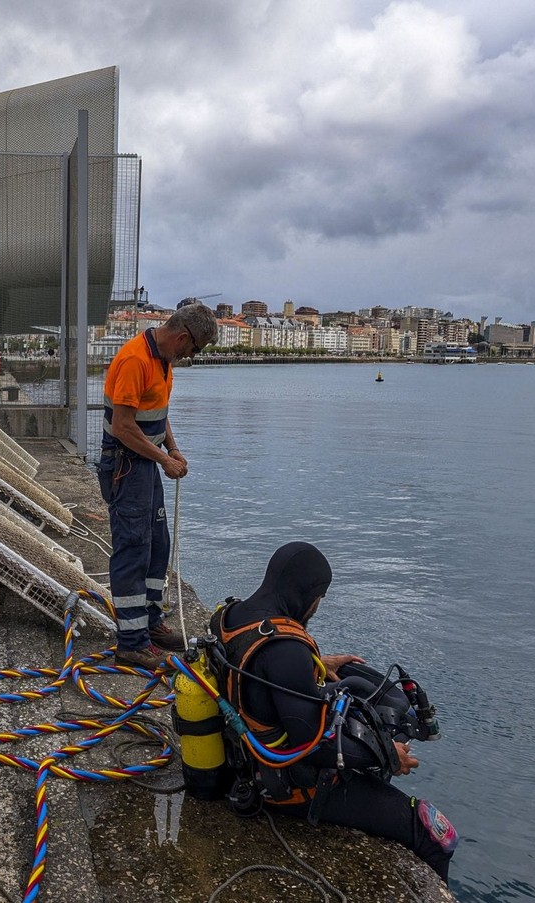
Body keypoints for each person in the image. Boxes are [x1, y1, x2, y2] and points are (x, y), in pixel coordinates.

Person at [211, 541, 458, 882]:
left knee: (354, 677)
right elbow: (313, 745)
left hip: (242, 753)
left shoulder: (229, 616)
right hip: (290, 785)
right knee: (436, 835)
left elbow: (256, 671)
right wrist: (387, 756)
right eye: (319, 599)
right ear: (308, 593)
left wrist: (318, 663)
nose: (316, 607)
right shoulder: (286, 651)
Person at [97, 302, 218, 670]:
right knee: (133, 548)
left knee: (156, 543)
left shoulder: (163, 362)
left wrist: (173, 449)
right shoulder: (136, 360)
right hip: (126, 466)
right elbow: (123, 426)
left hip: (146, 464)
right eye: (193, 349)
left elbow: (157, 415)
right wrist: (164, 459)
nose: (191, 356)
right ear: (182, 337)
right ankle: (131, 643)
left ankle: (150, 623)